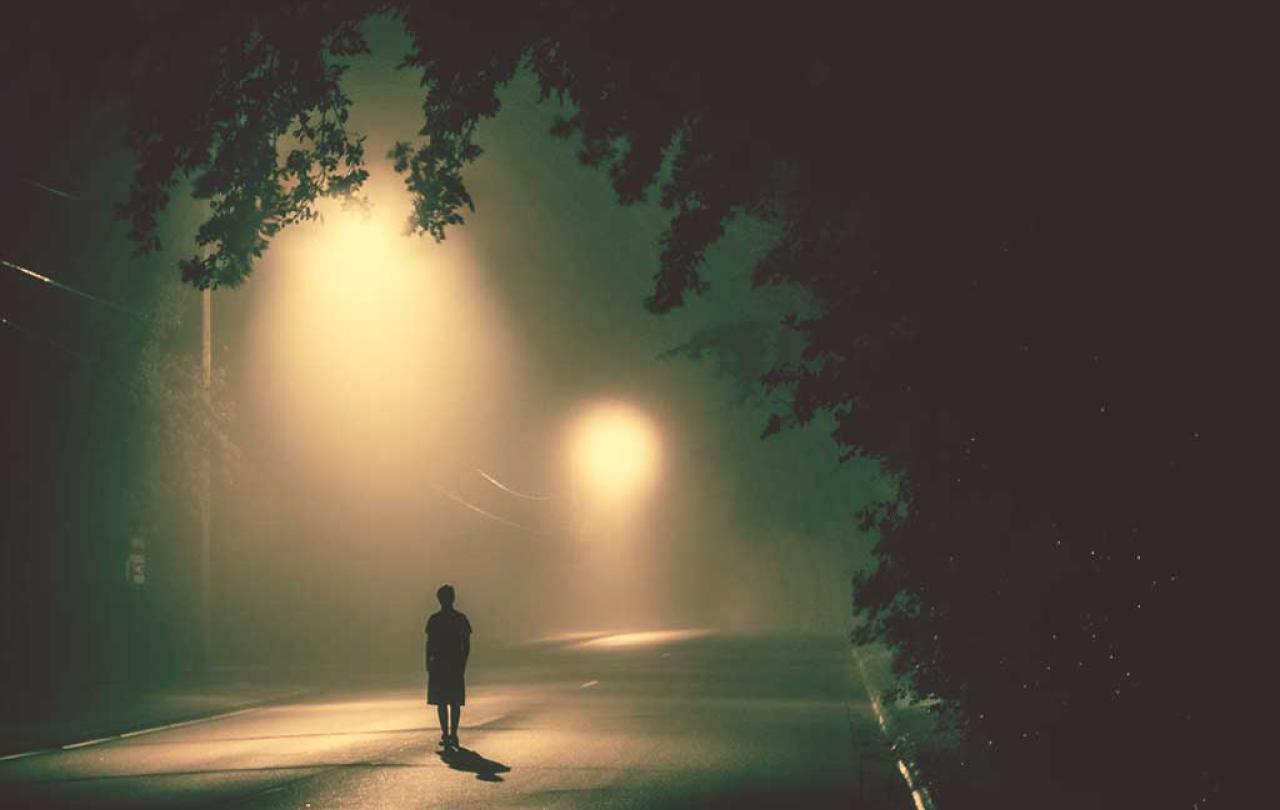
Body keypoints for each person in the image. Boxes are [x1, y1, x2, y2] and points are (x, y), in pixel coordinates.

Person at [425, 583, 471, 750]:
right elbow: (466, 644)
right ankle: (452, 733)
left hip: (439, 664)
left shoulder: (434, 620)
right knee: (454, 701)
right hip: (454, 664)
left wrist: (428, 662)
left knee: (442, 701)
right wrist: (463, 662)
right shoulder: (460, 619)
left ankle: (446, 733)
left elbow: (429, 644)